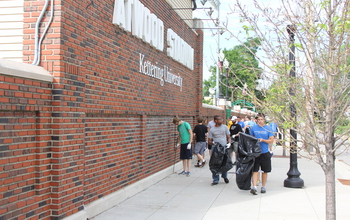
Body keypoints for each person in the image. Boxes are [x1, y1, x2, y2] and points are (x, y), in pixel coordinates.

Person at [249, 113, 274, 195]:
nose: (260, 121)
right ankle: (254, 186)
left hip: (264, 152)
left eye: (261, 119)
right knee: (255, 170)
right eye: (258, 119)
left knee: (265, 171)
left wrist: (263, 140)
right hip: (256, 152)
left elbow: (271, 140)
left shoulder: (268, 128)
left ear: (264, 120)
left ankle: (263, 186)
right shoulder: (253, 128)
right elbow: (250, 138)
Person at [208, 115, 231, 185]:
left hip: (224, 147)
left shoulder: (225, 127)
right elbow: (209, 140)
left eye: (221, 119)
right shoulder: (212, 129)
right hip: (216, 148)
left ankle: (225, 176)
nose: (221, 121)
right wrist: (212, 142)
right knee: (215, 163)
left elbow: (228, 137)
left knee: (224, 162)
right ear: (215, 121)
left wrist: (229, 143)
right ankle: (215, 179)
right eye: (219, 119)